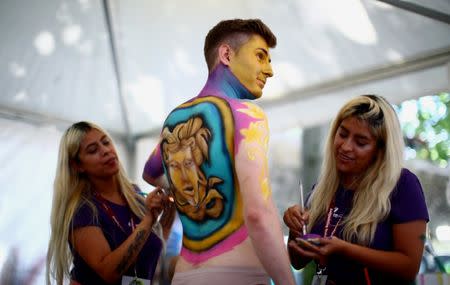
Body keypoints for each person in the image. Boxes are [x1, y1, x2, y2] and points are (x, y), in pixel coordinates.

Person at [142, 19, 295, 285]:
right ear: (226, 54)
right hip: (238, 276)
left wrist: (183, 189)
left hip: (184, 275)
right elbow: (259, 214)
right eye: (261, 56)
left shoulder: (173, 120)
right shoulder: (247, 116)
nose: (269, 70)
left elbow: (151, 172)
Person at [283, 95, 429, 284]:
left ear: (380, 151)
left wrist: (345, 250)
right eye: (342, 134)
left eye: (360, 142)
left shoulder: (402, 185)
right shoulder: (323, 189)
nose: (345, 147)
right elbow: (298, 262)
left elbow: (408, 268)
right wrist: (295, 229)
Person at [46, 121, 174, 285]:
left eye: (106, 142)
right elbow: (109, 272)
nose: (105, 151)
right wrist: (149, 219)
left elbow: (156, 240)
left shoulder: (133, 193)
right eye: (93, 150)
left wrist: (170, 207)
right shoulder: (81, 208)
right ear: (77, 165)